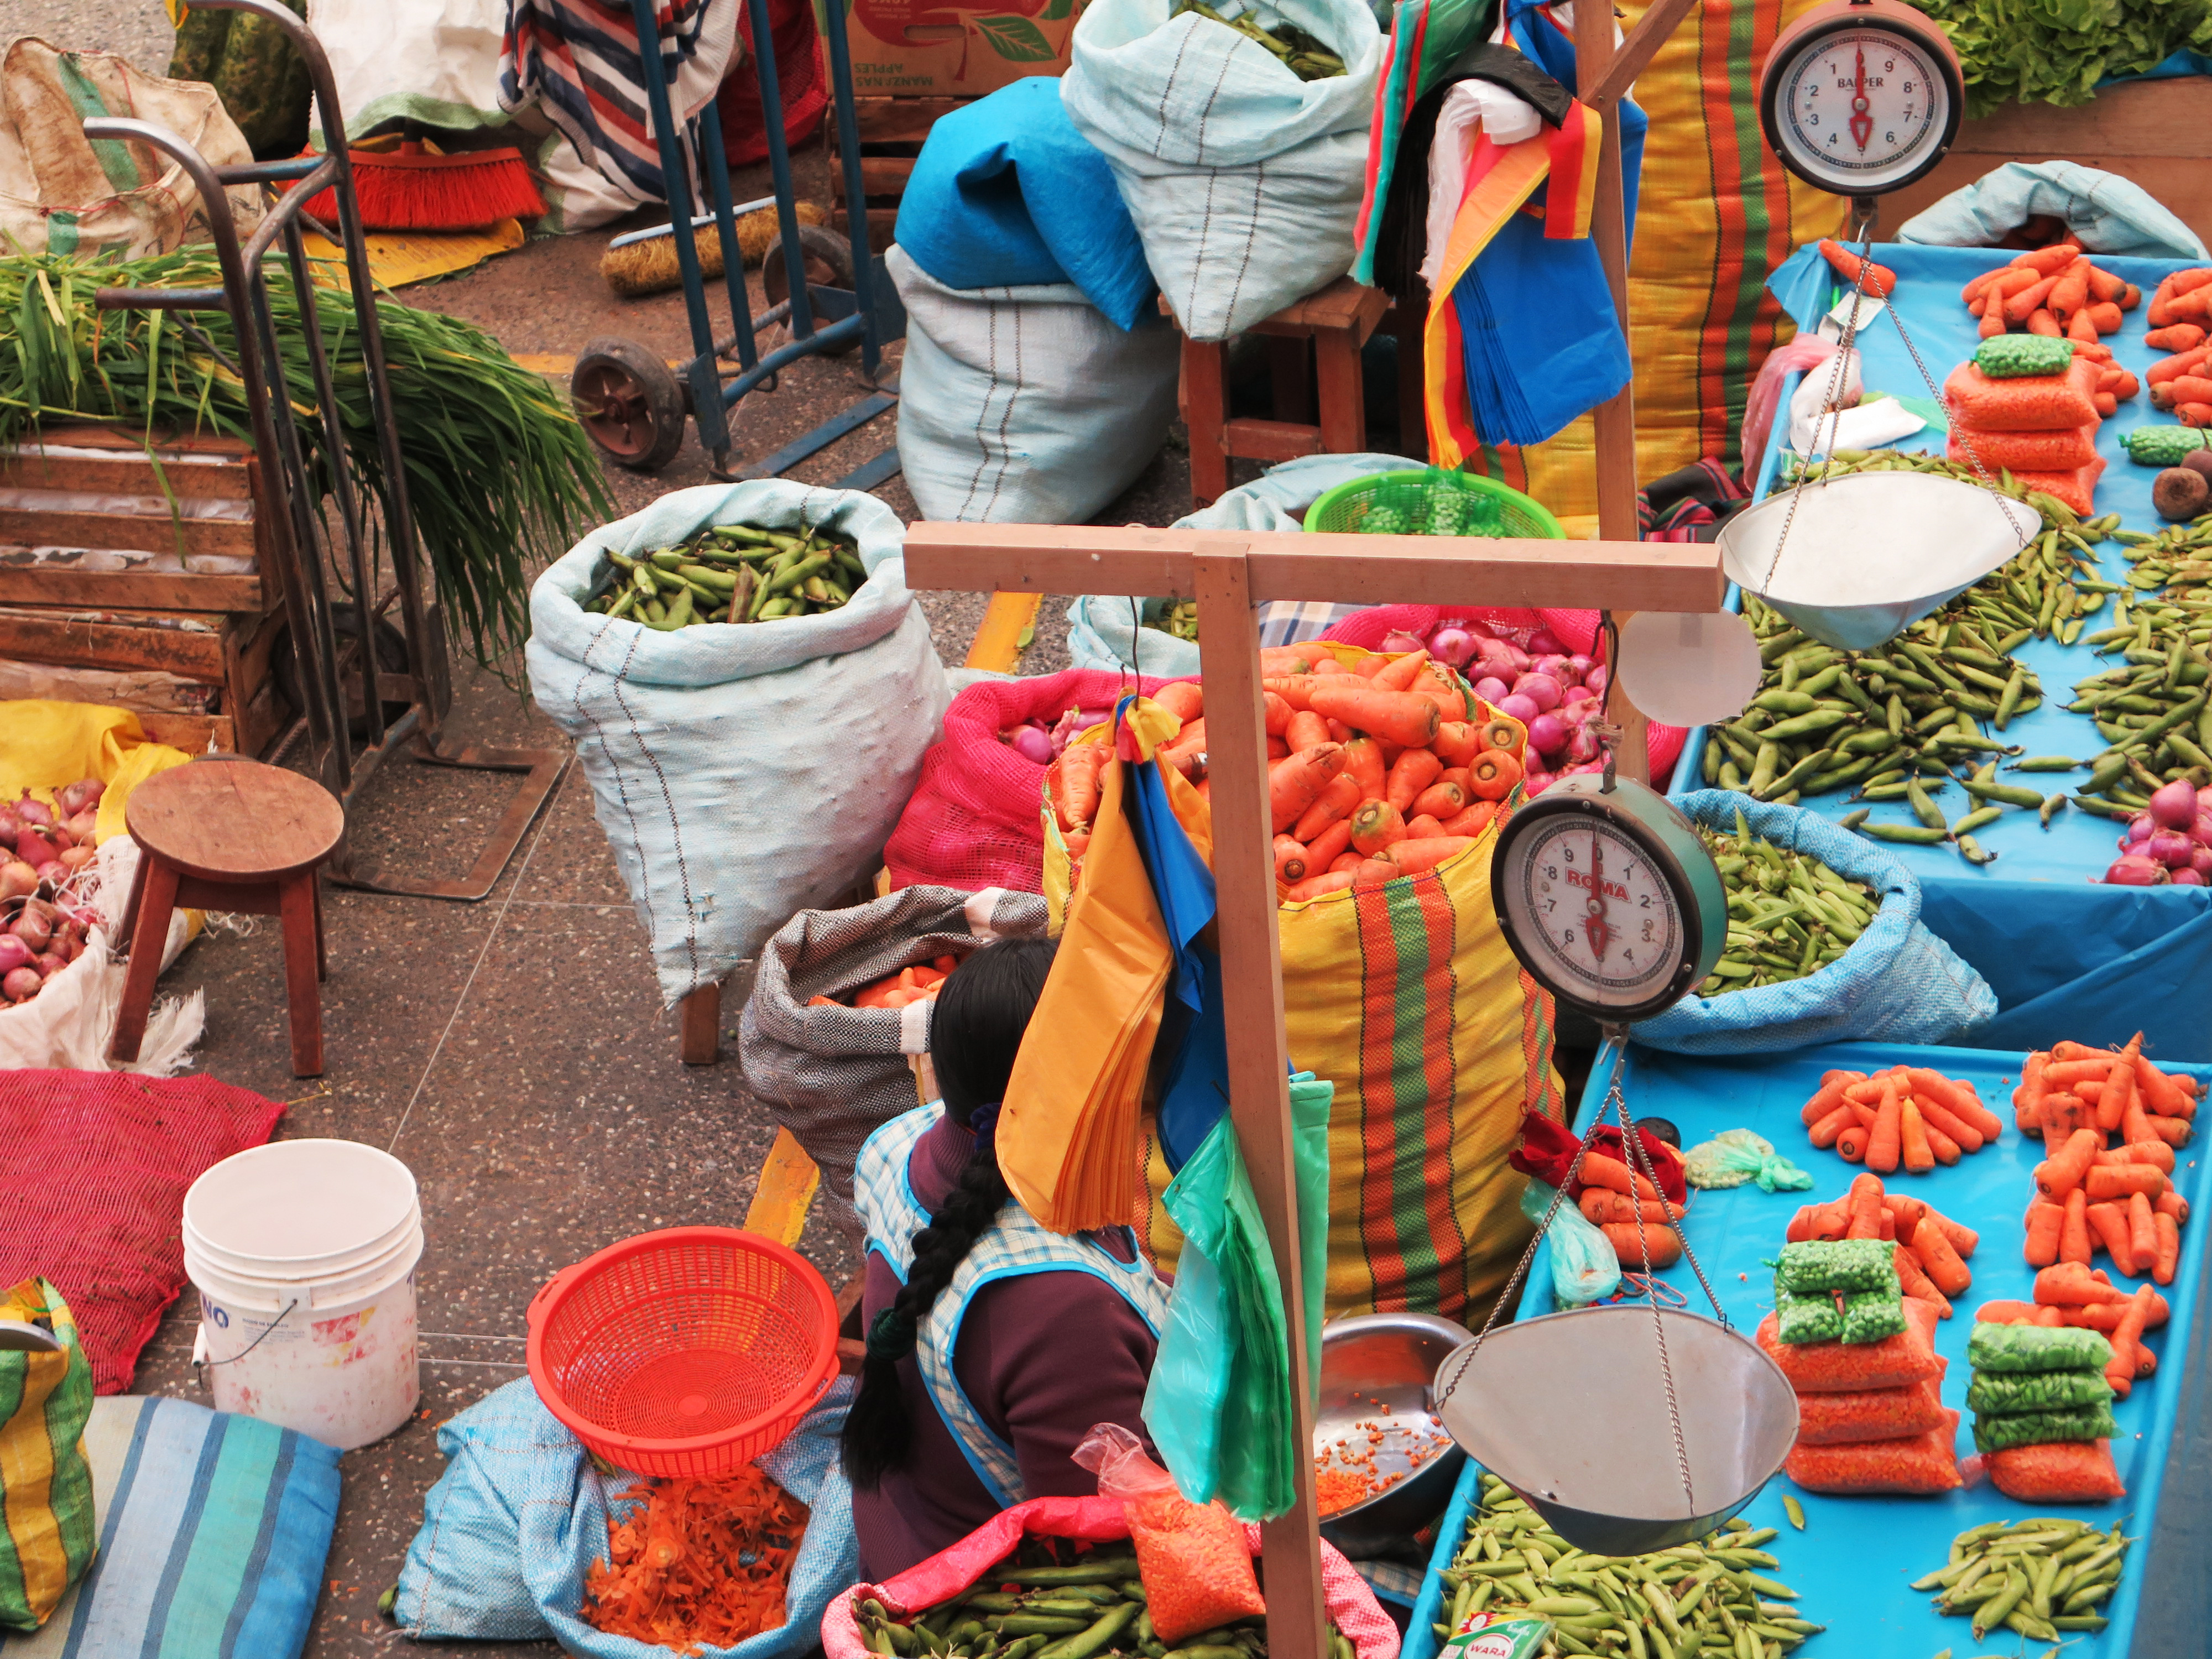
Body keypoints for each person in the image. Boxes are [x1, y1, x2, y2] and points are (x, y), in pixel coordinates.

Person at [845, 937, 1168, 1579]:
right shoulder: (1065, 1314)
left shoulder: (894, 1143)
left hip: (895, 1513)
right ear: (1075, 1108)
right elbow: (1103, 1551)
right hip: (974, 1594)